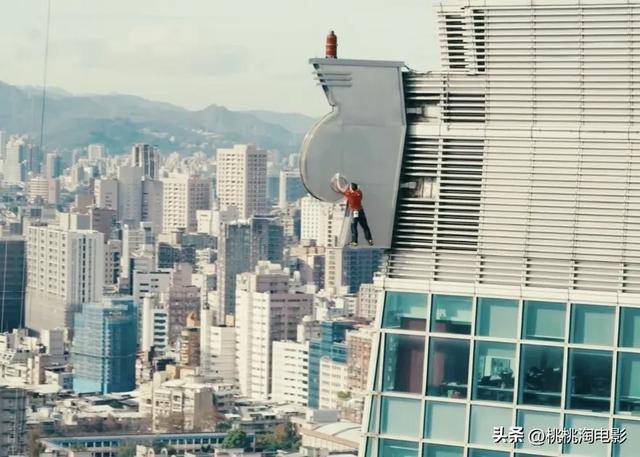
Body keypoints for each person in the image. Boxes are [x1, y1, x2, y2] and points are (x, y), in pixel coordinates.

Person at [338, 181, 373, 246]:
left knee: (354, 226)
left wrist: (338, 181)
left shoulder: (349, 194)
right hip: (361, 211)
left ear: (351, 189)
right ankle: (370, 240)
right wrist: (355, 188)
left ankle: (355, 242)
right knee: (365, 226)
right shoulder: (359, 193)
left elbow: (340, 189)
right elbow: (357, 189)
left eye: (350, 187)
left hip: (354, 212)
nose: (349, 187)